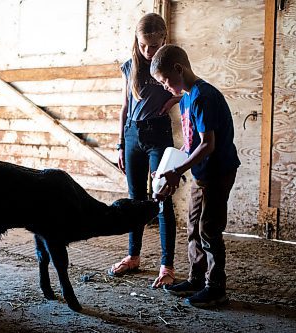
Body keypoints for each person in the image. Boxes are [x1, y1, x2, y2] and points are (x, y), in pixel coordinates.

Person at [149, 45, 240, 307]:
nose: (165, 87)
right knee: (193, 226)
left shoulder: (203, 96)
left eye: (165, 81)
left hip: (218, 171)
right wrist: (171, 163)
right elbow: (191, 143)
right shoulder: (187, 98)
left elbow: (207, 144)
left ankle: (216, 287)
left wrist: (178, 171)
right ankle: (196, 278)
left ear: (178, 69)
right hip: (201, 173)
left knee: (209, 229)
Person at [107, 13, 180, 289]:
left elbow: (188, 87)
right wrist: (120, 145)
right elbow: (124, 107)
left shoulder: (170, 64)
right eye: (143, 46)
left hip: (158, 134)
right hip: (132, 134)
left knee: (162, 199)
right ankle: (133, 256)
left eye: (154, 45)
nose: (148, 52)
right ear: (136, 42)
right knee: (135, 199)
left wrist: (174, 99)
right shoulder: (130, 67)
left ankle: (167, 265)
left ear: (164, 38)